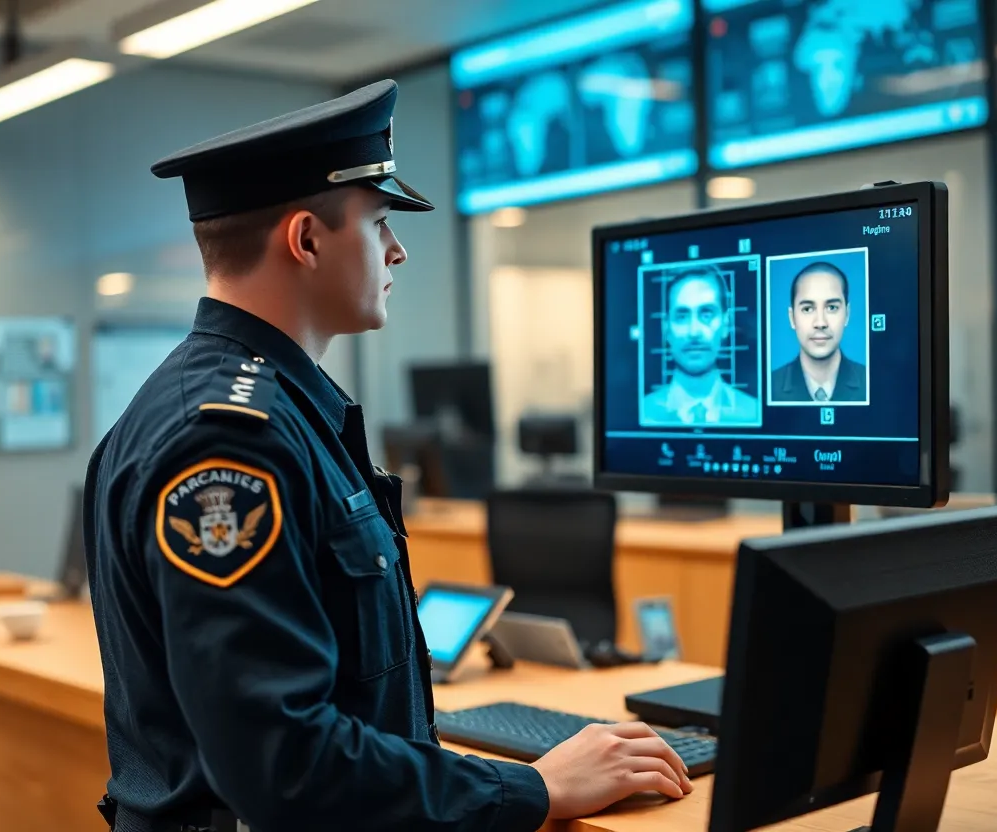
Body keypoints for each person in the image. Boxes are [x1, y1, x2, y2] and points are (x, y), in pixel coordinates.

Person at [83, 80, 692, 832]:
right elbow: (286, 765)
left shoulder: (250, 409)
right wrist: (534, 789)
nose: (397, 249)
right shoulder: (231, 442)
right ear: (305, 240)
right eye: (378, 224)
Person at [641, 264, 759, 425]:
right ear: (666, 328)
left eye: (707, 314)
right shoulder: (643, 413)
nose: (694, 331)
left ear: (726, 324)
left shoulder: (753, 412)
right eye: (682, 316)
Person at [770, 260, 867, 403]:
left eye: (832, 308)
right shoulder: (769, 387)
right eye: (808, 309)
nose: (820, 323)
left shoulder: (873, 382)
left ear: (847, 314)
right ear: (792, 318)